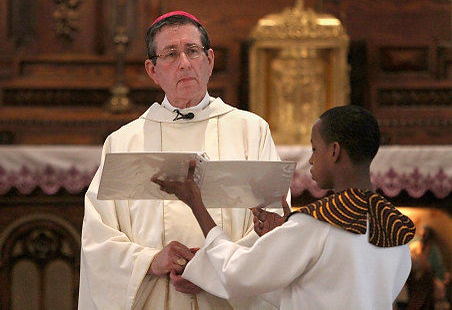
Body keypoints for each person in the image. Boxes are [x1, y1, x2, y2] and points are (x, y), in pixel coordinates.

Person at [78, 11, 282, 309]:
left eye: (192, 51)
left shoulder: (251, 131)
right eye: (171, 54)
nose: (184, 63)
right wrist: (152, 260)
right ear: (152, 70)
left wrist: (215, 267)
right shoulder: (124, 142)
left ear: (209, 60)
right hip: (156, 294)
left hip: (227, 295)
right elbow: (98, 236)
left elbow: (275, 220)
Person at [153, 105, 416, 309]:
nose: (311, 160)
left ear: (334, 151)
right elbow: (325, 288)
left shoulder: (317, 224)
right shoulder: (396, 229)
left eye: (315, 149)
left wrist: (196, 204)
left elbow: (238, 274)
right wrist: (283, 239)